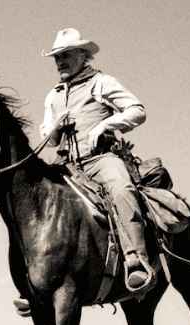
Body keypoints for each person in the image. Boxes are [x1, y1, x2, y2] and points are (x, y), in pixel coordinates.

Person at [39, 28, 155, 293]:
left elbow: (137, 110)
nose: (60, 62)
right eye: (57, 57)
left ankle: (138, 261)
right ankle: (36, 280)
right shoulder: (52, 95)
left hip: (100, 159)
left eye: (66, 55)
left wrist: (106, 124)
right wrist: (57, 126)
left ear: (83, 56)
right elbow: (49, 138)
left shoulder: (102, 82)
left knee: (122, 189)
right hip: (66, 166)